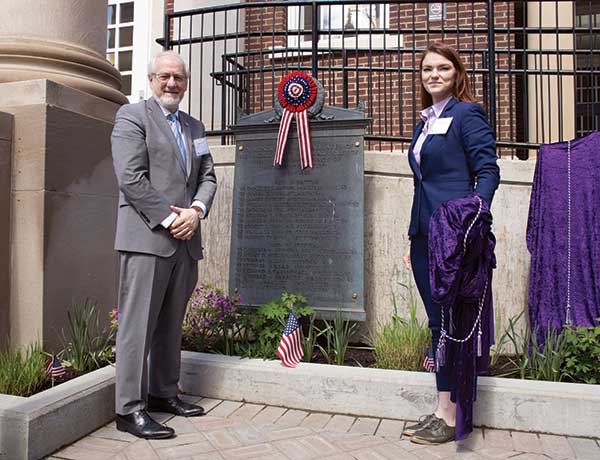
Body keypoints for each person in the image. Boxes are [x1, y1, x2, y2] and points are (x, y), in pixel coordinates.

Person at [111, 51, 217, 439]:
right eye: (165, 77)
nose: (173, 83)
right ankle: (129, 410)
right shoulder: (132, 117)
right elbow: (131, 178)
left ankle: (162, 394)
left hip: (186, 242)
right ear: (152, 79)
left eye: (179, 78)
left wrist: (196, 210)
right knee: (138, 328)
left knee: (171, 325)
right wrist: (173, 218)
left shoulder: (195, 126)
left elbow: (208, 175)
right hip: (147, 239)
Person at [402, 42, 500, 445]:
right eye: (427, 69)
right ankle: (443, 407)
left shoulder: (467, 114)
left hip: (456, 238)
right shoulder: (424, 122)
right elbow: (421, 184)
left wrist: (471, 220)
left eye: (443, 68)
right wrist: (413, 239)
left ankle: (452, 414)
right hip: (425, 237)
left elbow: (488, 171)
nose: (434, 75)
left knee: (452, 324)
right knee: (438, 323)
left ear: (457, 74)